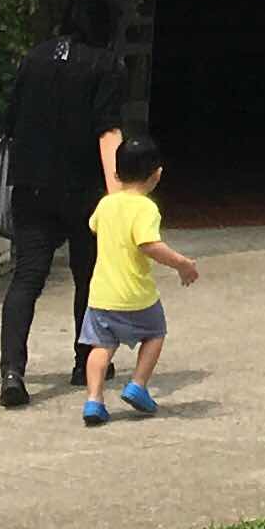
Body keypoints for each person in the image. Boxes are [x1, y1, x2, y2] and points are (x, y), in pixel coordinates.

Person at [0, 0, 129, 411]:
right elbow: (107, 130)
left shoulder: (34, 57)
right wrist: (119, 195)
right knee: (87, 276)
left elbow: (9, 119)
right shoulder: (107, 65)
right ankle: (83, 360)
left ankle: (13, 372)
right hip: (83, 190)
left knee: (26, 278)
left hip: (31, 186)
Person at [80, 131, 199, 425]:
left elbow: (93, 226)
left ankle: (93, 400)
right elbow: (149, 244)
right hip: (136, 295)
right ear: (156, 175)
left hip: (101, 295)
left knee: (101, 347)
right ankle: (137, 384)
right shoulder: (146, 208)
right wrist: (181, 264)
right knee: (155, 333)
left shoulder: (106, 204)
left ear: (117, 173)